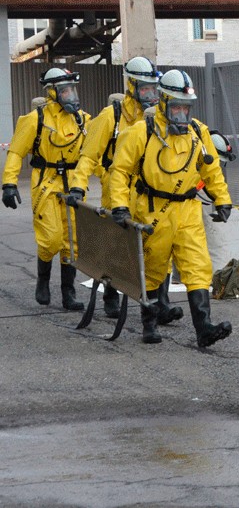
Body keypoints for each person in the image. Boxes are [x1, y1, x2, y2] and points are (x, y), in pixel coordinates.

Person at [108, 69, 233, 347]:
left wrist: (222, 199)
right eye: (177, 107)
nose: (182, 114)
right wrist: (120, 206)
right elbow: (120, 172)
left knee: (197, 266)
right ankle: (149, 324)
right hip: (153, 210)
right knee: (153, 269)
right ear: (163, 103)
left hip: (188, 210)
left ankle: (204, 328)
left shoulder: (198, 132)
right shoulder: (141, 132)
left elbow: (211, 169)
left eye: (186, 107)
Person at [67, 56, 184, 323]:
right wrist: (77, 187)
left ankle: (160, 305)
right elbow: (89, 155)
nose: (151, 95)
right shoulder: (112, 117)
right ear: (132, 86)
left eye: (154, 89)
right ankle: (111, 295)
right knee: (116, 245)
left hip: (150, 192)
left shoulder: (160, 118)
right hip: (117, 188)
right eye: (145, 89)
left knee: (158, 247)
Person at [2, 68, 91, 310]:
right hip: (46, 183)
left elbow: (93, 154)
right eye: (65, 91)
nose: (71, 95)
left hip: (73, 184)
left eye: (72, 90)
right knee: (51, 239)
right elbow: (16, 152)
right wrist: (9, 183)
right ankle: (42, 281)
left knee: (72, 241)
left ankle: (68, 293)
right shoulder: (35, 119)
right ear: (52, 92)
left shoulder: (82, 120)